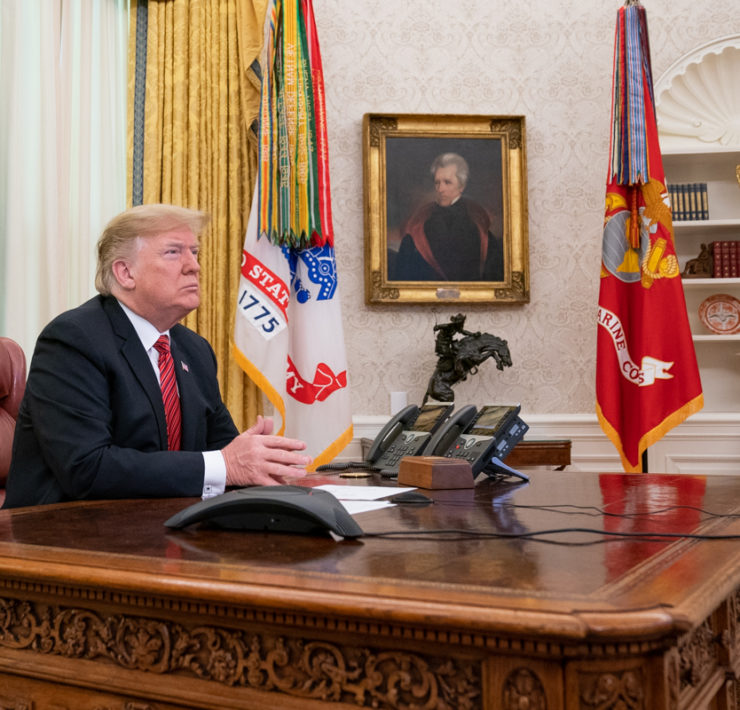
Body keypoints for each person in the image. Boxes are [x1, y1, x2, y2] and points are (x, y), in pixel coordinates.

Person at [3, 204, 311, 508]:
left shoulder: (195, 350)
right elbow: (87, 468)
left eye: (195, 252)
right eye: (174, 252)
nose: (194, 266)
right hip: (59, 538)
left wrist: (258, 460)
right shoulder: (73, 340)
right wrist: (227, 464)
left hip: (162, 529)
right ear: (125, 273)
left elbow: (220, 451)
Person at [391, 152, 504, 282]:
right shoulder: (419, 225)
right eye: (437, 183)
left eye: (447, 182)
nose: (440, 189)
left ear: (462, 186)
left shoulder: (479, 226)